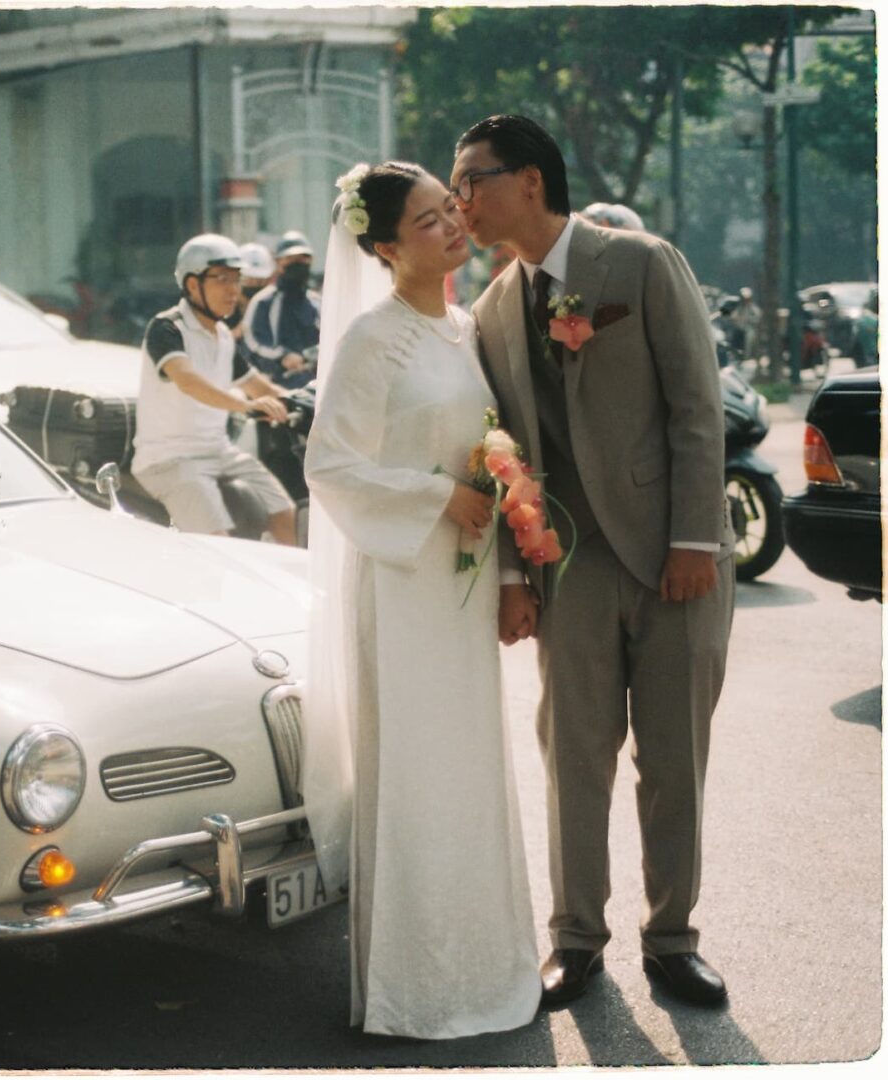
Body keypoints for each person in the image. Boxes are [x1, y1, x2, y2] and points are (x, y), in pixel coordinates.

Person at [450, 114, 735, 1009]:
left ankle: (672, 938)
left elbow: (697, 405)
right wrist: (512, 576)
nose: (460, 201)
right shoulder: (493, 309)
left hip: (670, 559)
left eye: (472, 180)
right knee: (574, 758)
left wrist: (695, 537)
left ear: (529, 180)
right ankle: (575, 939)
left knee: (675, 758)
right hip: (565, 569)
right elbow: (498, 451)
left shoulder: (641, 263)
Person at [300, 161, 540, 1038]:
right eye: (431, 221)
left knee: (471, 772)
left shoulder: (466, 328)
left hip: (464, 589)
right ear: (384, 247)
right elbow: (329, 464)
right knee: (417, 777)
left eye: (452, 211)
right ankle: (419, 990)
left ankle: (486, 971)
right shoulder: (376, 337)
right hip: (402, 588)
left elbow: (496, 451)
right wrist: (438, 498)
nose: (453, 227)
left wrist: (514, 574)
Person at [130, 233, 299, 545]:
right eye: (222, 279)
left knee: (285, 512)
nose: (233, 290)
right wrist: (247, 406)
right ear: (193, 285)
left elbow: (258, 385)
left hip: (219, 451)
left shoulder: (221, 335)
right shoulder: (167, 328)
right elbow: (189, 382)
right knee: (220, 544)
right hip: (171, 458)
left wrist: (303, 403)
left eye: (237, 279)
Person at [243, 230, 321, 389]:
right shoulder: (263, 302)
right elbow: (253, 341)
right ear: (278, 262)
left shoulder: (317, 302)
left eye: (302, 258)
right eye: (290, 259)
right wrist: (283, 356)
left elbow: (331, 340)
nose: (297, 263)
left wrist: (312, 356)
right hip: (277, 388)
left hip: (317, 388)